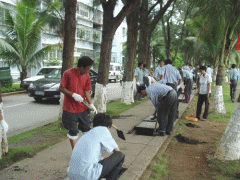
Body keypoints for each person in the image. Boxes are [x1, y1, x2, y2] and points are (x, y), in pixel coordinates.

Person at [67, 113, 126, 180]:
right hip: (87, 176)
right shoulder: (104, 130)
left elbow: (99, 158)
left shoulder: (88, 134)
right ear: (108, 127)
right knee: (120, 156)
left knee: (105, 164)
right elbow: (117, 151)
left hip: (72, 175)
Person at [59, 56, 97, 150]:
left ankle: (85, 149)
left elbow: (87, 90)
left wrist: (90, 104)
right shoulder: (68, 73)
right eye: (87, 68)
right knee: (73, 131)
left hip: (83, 108)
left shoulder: (86, 75)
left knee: (86, 129)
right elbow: (61, 88)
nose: (89, 71)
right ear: (81, 67)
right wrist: (73, 95)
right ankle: (74, 151)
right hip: (70, 109)